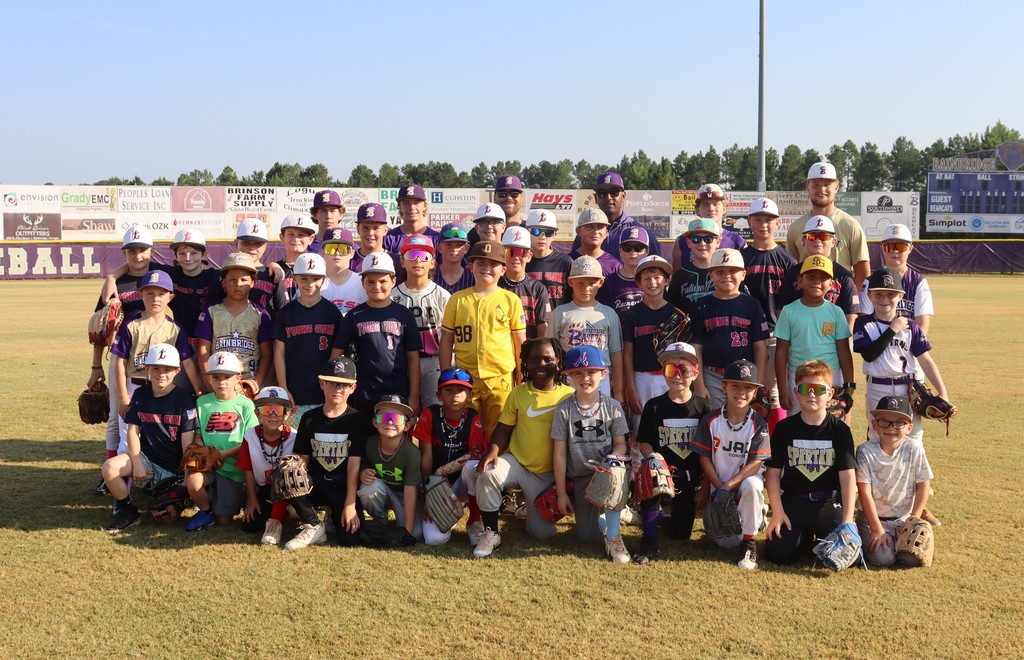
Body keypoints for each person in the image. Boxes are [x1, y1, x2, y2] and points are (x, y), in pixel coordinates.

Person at [467, 338, 574, 557]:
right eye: (534, 359)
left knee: (541, 534)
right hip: (517, 463)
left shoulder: (569, 396)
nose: (541, 364)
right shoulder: (518, 393)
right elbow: (503, 429)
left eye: (548, 359)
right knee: (488, 472)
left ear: (559, 363)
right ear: (525, 364)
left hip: (547, 476)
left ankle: (528, 511)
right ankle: (491, 532)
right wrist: (493, 451)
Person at [89, 225, 171, 493]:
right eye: (132, 250)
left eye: (142, 249)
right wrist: (95, 366)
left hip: (161, 358)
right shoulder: (117, 284)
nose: (137, 255)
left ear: (151, 250)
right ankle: (112, 467)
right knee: (117, 416)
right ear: (125, 252)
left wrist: (113, 273)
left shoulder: (161, 276)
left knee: (157, 413)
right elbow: (101, 328)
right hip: (124, 357)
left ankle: (154, 466)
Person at [764, 360, 857, 565]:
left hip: (828, 504)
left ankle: (810, 535)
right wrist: (777, 512)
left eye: (818, 389)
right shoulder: (784, 428)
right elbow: (772, 474)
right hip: (794, 502)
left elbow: (848, 476)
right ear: (796, 392)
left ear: (830, 394)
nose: (812, 394)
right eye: (806, 389)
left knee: (850, 556)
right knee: (777, 554)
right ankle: (803, 537)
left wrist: (848, 520)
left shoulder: (840, 430)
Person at [101, 344, 198, 534]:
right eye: (156, 368)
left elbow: (189, 444)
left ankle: (177, 494)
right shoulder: (140, 395)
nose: (161, 374)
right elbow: (132, 431)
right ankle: (128, 511)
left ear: (177, 371)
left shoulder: (185, 400)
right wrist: (136, 461)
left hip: (175, 467)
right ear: (146, 369)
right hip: (148, 461)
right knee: (109, 468)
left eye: (167, 369)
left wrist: (185, 478)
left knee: (165, 518)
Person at [632, 342, 713, 563]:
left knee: (680, 534)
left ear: (695, 373)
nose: (677, 376)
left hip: (689, 479)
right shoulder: (654, 406)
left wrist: (705, 488)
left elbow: (710, 454)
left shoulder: (704, 408)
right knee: (651, 475)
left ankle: (658, 518)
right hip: (662, 475)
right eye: (671, 369)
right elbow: (644, 442)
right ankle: (649, 539)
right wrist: (654, 460)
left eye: (684, 370)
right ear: (663, 373)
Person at [853, 268, 948, 452]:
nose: (884, 299)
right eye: (878, 294)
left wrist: (942, 392)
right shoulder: (864, 324)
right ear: (869, 295)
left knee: (913, 438)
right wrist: (892, 330)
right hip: (878, 388)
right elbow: (869, 354)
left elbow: (925, 359)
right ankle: (877, 480)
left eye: (891, 294)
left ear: (901, 296)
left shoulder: (911, 326)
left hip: (908, 389)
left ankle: (914, 481)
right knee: (877, 437)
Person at [281, 357, 371, 549]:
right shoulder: (309, 418)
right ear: (322, 384)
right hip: (317, 483)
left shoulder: (357, 420)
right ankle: (313, 526)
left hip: (343, 486)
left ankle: (334, 513)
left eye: (343, 385)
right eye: (331, 383)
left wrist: (349, 505)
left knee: (350, 540)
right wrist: (295, 466)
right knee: (288, 473)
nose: (337, 389)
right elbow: (304, 456)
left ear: (352, 388)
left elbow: (354, 464)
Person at [552, 345, 631, 562]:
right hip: (582, 476)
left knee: (616, 469)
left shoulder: (613, 406)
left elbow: (621, 444)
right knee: (587, 537)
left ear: (603, 374)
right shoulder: (563, 409)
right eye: (578, 373)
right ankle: (614, 512)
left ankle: (614, 537)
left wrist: (611, 462)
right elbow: (559, 453)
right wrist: (561, 493)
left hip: (607, 471)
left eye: (591, 372)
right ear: (569, 377)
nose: (585, 378)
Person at [440, 240, 527, 434]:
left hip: (500, 377)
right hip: (464, 378)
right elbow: (446, 340)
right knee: (467, 429)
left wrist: (522, 377)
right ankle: (468, 464)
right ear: (471, 267)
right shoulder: (457, 299)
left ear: (503, 270)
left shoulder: (510, 300)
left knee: (501, 429)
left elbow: (520, 343)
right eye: (481, 263)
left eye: (493, 264)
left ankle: (496, 463)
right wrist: (446, 374)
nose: (486, 268)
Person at [109, 270, 201, 451]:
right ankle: (126, 476)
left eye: (161, 294)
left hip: (163, 390)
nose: (155, 299)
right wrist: (123, 398)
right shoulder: (131, 325)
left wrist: (199, 390)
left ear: (170, 297)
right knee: (128, 440)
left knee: (157, 440)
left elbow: (187, 361)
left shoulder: (174, 329)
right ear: (140, 295)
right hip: (134, 387)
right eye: (149, 293)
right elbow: (120, 362)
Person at [692, 359, 771, 570]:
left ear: (755, 393)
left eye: (748, 388)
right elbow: (704, 458)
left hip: (741, 486)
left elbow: (755, 464)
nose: (741, 392)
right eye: (736, 386)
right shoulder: (710, 420)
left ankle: (749, 542)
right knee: (726, 543)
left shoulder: (758, 423)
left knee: (753, 485)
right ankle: (753, 517)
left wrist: (727, 487)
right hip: (719, 489)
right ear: (724, 386)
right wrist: (718, 488)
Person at [332, 253, 422, 414]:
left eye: (383, 281)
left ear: (393, 281)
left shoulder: (404, 315)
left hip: (397, 391)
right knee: (363, 438)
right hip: (363, 393)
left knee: (393, 435)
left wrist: (414, 395)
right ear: (362, 283)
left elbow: (413, 358)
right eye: (370, 282)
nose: (377, 286)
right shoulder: (354, 316)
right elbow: (336, 354)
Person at [856, 395, 934, 567]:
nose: (891, 428)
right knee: (884, 560)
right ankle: (866, 541)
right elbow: (864, 492)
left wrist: (913, 519)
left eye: (899, 422)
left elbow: (923, 485)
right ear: (874, 424)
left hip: (903, 519)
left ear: (909, 427)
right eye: (884, 421)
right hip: (873, 519)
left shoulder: (914, 448)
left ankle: (898, 543)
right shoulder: (865, 451)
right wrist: (876, 528)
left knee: (910, 559)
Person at [413, 366, 487, 546]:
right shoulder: (430, 414)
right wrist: (429, 493)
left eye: (461, 390)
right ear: (439, 395)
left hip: (462, 481)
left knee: (474, 467)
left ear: (469, 395)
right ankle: (449, 512)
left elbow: (474, 455)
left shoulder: (473, 417)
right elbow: (426, 458)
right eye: (448, 390)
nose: (455, 395)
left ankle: (474, 521)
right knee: (434, 539)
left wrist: (442, 471)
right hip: (437, 485)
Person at [740, 198, 797, 433]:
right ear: (750, 222)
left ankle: (774, 446)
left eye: (768, 220)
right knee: (745, 388)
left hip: (775, 333)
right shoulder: (741, 257)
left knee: (772, 392)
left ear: (777, 223)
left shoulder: (787, 260)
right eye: (758, 219)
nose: (763, 225)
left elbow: (793, 305)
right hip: (744, 334)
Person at [185, 352, 258, 532]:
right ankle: (205, 511)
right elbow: (199, 434)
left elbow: (251, 441)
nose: (221, 382)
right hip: (208, 466)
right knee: (193, 481)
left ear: (238, 378)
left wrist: (221, 454)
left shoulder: (245, 405)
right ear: (208, 379)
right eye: (216, 377)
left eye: (227, 377)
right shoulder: (202, 402)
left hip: (232, 469)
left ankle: (236, 498)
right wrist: (201, 452)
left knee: (224, 521)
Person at [774, 256, 855, 415]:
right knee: (799, 426)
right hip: (799, 378)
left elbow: (844, 351)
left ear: (831, 284)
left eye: (823, 278)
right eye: (811, 276)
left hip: (832, 378)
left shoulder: (836, 312)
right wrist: (782, 389)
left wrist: (849, 384)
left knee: (831, 425)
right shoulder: (789, 311)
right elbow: (781, 351)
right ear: (800, 280)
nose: (817, 281)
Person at [690, 249, 769, 408]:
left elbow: (761, 347)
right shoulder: (700, 305)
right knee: (716, 421)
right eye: (720, 271)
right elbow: (696, 347)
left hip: (745, 375)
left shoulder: (752, 304)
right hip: (712, 375)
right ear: (711, 275)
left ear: (743, 274)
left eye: (733, 271)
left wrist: (757, 384)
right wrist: (699, 385)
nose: (726, 275)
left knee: (743, 422)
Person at [546, 256, 624, 401]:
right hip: (569, 377)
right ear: (570, 282)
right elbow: (551, 353)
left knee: (600, 418)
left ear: (600, 282)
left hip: (600, 378)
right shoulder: (560, 313)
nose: (586, 288)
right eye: (580, 283)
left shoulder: (608, 314)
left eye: (591, 283)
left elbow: (616, 354)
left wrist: (619, 391)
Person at [274, 254, 341, 422]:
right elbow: (279, 353)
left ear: (324, 279)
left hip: (323, 393)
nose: (310, 284)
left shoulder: (332, 312)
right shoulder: (285, 313)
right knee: (294, 445)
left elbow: (337, 355)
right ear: (295, 278)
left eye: (315, 278)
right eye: (304, 278)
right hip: (294, 393)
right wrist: (283, 388)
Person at [193, 252, 274, 389]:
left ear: (253, 283)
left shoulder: (261, 314)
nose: (238, 284)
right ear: (223, 282)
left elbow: (267, 353)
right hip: (219, 381)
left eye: (244, 280)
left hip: (248, 381)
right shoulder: (211, 311)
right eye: (232, 280)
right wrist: (209, 381)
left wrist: (256, 384)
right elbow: (203, 349)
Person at [785, 162, 870, 292]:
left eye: (827, 184)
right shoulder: (796, 228)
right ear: (807, 187)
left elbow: (863, 273)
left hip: (840, 302)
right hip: (805, 303)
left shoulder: (851, 225)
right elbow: (791, 271)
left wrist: (851, 302)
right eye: (816, 185)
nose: (822, 189)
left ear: (836, 187)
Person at [391, 234, 451, 409]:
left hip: (435, 361)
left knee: (435, 412)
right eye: (411, 254)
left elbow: (449, 336)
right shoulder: (393, 295)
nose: (417, 260)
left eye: (424, 256)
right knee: (404, 411)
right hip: (402, 362)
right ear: (402, 261)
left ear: (432, 263)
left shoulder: (442, 295)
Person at [237, 386, 297, 545]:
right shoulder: (250, 436)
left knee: (283, 471)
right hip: (265, 489)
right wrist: (252, 499)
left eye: (278, 409)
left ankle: (275, 522)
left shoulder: (295, 436)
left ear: (287, 413)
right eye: (266, 409)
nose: (272, 414)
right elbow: (248, 470)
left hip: (292, 489)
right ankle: (284, 512)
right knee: (250, 526)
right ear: (257, 413)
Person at [358, 395, 423, 540]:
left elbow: (411, 491)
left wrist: (407, 531)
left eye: (397, 418)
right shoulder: (369, 444)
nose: (390, 422)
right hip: (382, 490)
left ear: (407, 426)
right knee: (369, 487)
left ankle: (402, 526)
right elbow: (360, 465)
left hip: (403, 496)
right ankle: (380, 521)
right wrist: (362, 473)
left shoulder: (412, 452)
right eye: (384, 417)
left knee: (416, 533)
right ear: (375, 422)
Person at [622, 255, 675, 426]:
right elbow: (628, 355)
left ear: (667, 280)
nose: (652, 282)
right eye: (646, 278)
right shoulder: (632, 314)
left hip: (670, 376)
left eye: (658, 277)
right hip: (641, 378)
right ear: (639, 283)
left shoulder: (676, 313)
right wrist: (630, 389)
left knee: (669, 428)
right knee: (640, 430)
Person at [779, 215, 859, 329]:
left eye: (823, 236)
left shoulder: (844, 276)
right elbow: (782, 309)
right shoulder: (793, 272)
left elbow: (850, 316)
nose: (817, 240)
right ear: (804, 240)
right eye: (812, 236)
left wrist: (846, 343)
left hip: (832, 340)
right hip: (799, 338)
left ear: (833, 241)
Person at [859, 223, 934, 334]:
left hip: (908, 347)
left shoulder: (918, 282)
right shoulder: (870, 282)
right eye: (889, 247)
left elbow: (922, 326)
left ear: (910, 249)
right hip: (878, 346)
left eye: (901, 247)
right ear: (882, 249)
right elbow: (864, 323)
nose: (895, 251)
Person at [571, 171, 663, 258]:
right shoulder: (585, 233)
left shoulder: (642, 233)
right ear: (596, 198)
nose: (608, 197)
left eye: (614, 192)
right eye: (602, 193)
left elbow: (657, 270)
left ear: (623, 196)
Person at [672, 183, 747, 270]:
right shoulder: (682, 241)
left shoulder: (738, 242)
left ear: (724, 209)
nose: (711, 208)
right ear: (698, 210)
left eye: (716, 204)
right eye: (705, 204)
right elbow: (676, 278)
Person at [499, 225, 550, 339]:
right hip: (500, 352)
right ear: (503, 254)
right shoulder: (495, 284)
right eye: (511, 251)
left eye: (521, 252)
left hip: (529, 352)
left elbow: (542, 329)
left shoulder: (538, 289)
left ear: (529, 256)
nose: (516, 257)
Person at [667, 218, 721, 313]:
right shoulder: (680, 276)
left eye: (708, 239)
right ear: (688, 242)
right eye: (696, 239)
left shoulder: (727, 272)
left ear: (718, 242)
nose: (702, 243)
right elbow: (673, 309)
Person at [233, 217, 284, 318]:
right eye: (246, 243)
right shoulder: (225, 273)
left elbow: (281, 312)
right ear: (236, 243)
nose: (251, 248)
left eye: (257, 244)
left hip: (265, 331)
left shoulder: (273, 274)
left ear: (265, 247)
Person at [597, 226, 650, 318]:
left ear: (647, 251)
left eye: (639, 248)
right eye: (627, 247)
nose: (633, 252)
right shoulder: (609, 282)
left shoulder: (653, 282)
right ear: (620, 250)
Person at [524, 209, 573, 307]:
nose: (542, 237)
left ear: (555, 235)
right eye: (536, 231)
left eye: (548, 232)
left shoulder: (565, 262)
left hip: (558, 320)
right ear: (527, 232)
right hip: (528, 320)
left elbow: (574, 295)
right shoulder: (521, 261)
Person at [383, 184, 440, 265]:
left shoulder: (436, 239)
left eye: (416, 202)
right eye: (406, 203)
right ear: (399, 206)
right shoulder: (388, 239)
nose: (412, 207)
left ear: (425, 205)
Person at [273, 214, 318, 309]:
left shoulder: (318, 268)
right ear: (282, 237)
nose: (296, 239)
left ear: (311, 239)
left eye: (301, 235)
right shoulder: (274, 269)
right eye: (290, 234)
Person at [319, 227, 367, 315]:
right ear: (323, 253)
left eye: (343, 249)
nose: (337, 253)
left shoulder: (362, 283)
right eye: (331, 248)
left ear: (352, 253)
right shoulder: (313, 283)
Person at [468, 174, 525, 245]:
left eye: (514, 194)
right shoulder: (476, 233)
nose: (509, 198)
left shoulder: (531, 231)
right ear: (494, 197)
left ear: (521, 198)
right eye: (502, 194)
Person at [573, 208, 619, 277]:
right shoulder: (567, 261)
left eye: (600, 227)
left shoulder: (614, 265)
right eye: (590, 227)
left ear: (606, 233)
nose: (595, 231)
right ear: (578, 231)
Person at [434, 222, 475, 294]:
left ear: (466, 248)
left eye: (459, 245)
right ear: (439, 248)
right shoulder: (429, 275)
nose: (454, 249)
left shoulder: (473, 277)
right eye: (448, 245)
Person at [351, 202, 389, 274]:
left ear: (385, 230)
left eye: (376, 228)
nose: (370, 233)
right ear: (358, 229)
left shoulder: (395, 260)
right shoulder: (349, 261)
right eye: (365, 228)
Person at [308, 190, 345, 255]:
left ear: (341, 215)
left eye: (332, 210)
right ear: (315, 215)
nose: (328, 216)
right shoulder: (307, 246)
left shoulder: (350, 247)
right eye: (323, 211)